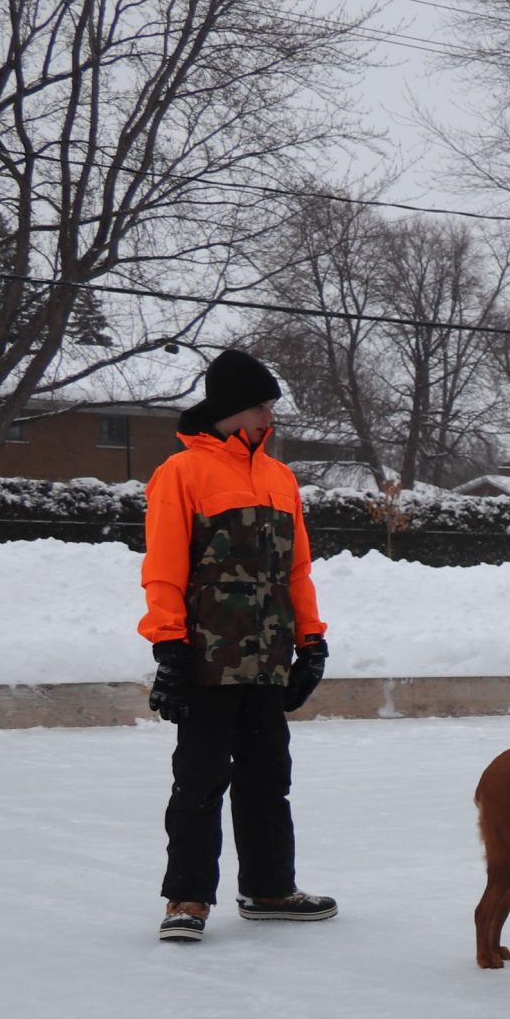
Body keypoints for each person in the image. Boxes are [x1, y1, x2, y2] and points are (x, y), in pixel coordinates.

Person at [140, 348, 336, 942]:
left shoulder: (279, 477)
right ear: (231, 408)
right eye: (261, 405)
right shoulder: (182, 473)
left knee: (268, 776)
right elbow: (164, 569)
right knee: (199, 780)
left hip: (270, 657)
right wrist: (169, 646)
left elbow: (297, 571)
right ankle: (187, 899)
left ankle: (270, 887)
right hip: (206, 657)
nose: (268, 417)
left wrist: (312, 642)